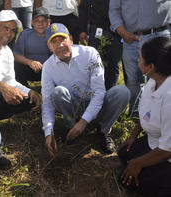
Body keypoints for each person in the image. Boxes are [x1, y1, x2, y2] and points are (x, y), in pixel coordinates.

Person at [42, 23, 130, 157]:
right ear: (49, 47)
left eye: (62, 39)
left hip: (96, 103)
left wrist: (83, 122)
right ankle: (71, 127)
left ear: (71, 39)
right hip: (74, 106)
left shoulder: (89, 54)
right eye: (54, 42)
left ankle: (103, 130)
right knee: (58, 92)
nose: (59, 45)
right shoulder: (48, 67)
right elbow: (47, 102)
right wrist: (49, 133)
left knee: (123, 92)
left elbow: (99, 92)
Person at [0, 10, 41, 168]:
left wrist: (30, 91)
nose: (9, 33)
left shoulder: (7, 53)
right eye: (5, 28)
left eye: (12, 30)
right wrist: (2, 86)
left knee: (27, 100)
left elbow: (11, 80)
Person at [117, 37, 171, 197]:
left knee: (126, 180)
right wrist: (133, 136)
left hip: (166, 153)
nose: (137, 60)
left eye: (140, 57)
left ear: (151, 67)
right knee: (124, 154)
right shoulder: (154, 81)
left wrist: (138, 162)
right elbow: (147, 113)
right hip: (155, 142)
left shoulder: (169, 98)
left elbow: (169, 149)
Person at [109, 0, 171, 117]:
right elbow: (114, 10)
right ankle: (136, 115)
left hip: (162, 34)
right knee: (134, 80)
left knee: (163, 77)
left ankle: (162, 114)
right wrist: (122, 32)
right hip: (132, 39)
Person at [78, 0, 122, 90]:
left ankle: (110, 95)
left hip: (116, 31)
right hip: (96, 29)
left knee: (113, 66)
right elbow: (83, 7)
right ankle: (95, 95)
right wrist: (83, 30)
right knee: (94, 65)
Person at [13, 7, 51, 86]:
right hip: (30, 68)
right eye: (37, 21)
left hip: (49, 69)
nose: (40, 24)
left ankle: (52, 89)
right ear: (32, 22)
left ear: (48, 22)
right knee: (16, 65)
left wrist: (47, 65)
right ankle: (24, 91)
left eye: (43, 21)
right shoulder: (25, 34)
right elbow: (16, 55)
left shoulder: (53, 35)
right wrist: (30, 62)